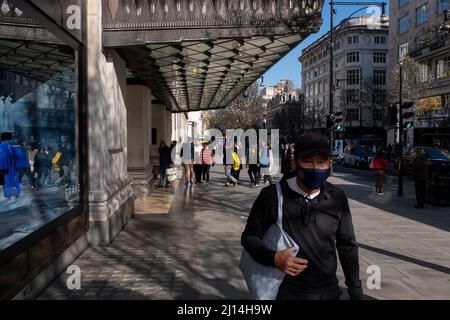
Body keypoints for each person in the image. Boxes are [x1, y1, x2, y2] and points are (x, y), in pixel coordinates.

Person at [241, 133, 362, 300]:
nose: (315, 167)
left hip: (327, 292)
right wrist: (274, 258)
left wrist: (355, 288)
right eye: (308, 161)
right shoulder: (271, 196)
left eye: (321, 162)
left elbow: (347, 245)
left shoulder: (337, 197)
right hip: (285, 292)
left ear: (330, 165)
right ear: (294, 163)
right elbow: (249, 237)